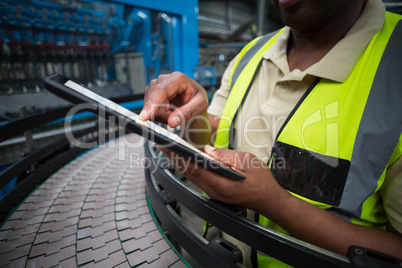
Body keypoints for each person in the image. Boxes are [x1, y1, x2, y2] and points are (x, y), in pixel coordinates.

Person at [139, 0, 402, 266]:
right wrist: (191, 119)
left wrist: (276, 203)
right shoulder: (252, 53)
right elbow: (211, 136)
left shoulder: (394, 63)